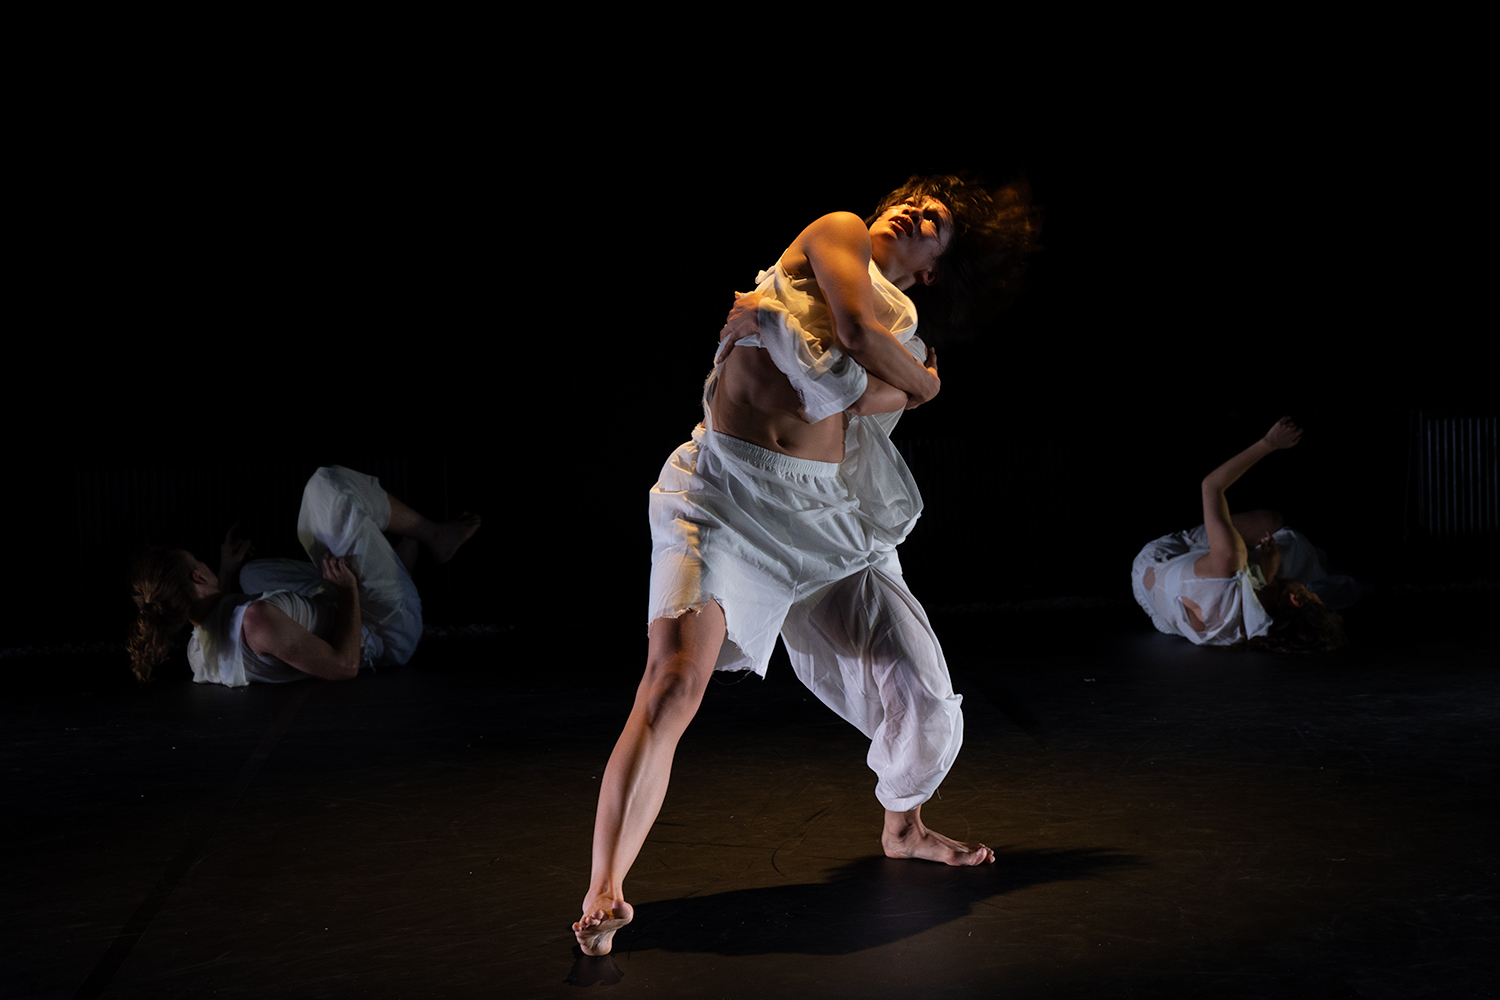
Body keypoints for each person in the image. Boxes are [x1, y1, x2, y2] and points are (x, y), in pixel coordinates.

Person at [574, 176, 1038, 956]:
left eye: (936, 223)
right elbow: (858, 342)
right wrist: (922, 382)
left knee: (924, 693)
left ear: (932, 271)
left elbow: (854, 395)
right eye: (917, 202)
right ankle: (604, 891)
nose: (916, 213)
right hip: (723, 497)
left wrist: (871, 367)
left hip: (824, 517)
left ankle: (904, 827)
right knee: (673, 681)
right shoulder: (839, 230)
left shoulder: (903, 322)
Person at [127, 465, 481, 685]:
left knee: (252, 574)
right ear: (197, 578)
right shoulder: (258, 620)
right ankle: (433, 536)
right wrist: (348, 590)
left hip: (334, 611)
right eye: (199, 562)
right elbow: (346, 666)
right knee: (326, 487)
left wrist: (226, 570)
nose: (204, 564)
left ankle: (394, 564)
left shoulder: (197, 653)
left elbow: (218, 617)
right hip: (388, 630)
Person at [1130, 418, 1349, 652]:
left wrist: (1269, 443)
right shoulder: (1246, 636)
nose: (1308, 588)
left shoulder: (1230, 560)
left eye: (1309, 593)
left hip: (1152, 562)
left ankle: (1210, 544)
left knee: (1272, 523)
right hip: (1161, 615)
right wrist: (1266, 576)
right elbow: (1245, 602)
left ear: (1295, 599)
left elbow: (1211, 485)